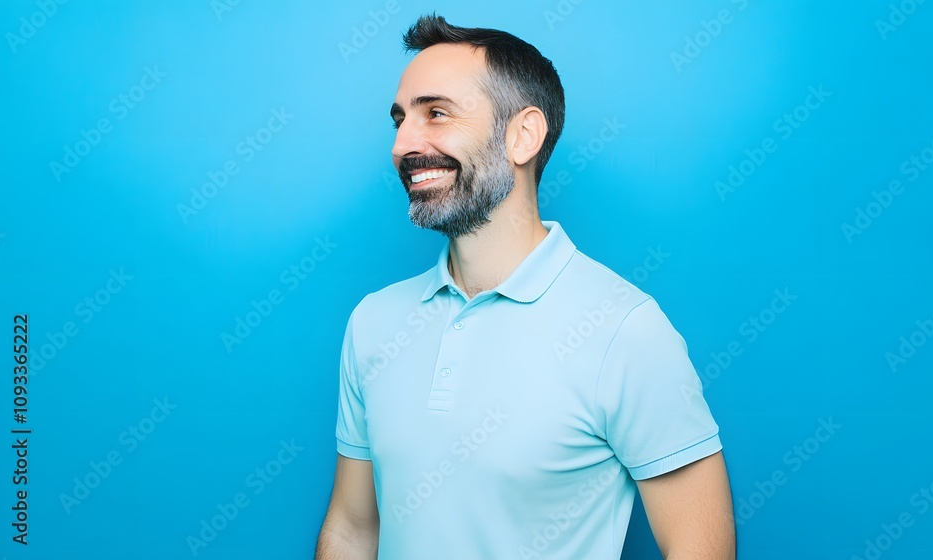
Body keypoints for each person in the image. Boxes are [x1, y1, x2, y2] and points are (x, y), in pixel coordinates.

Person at [315, 14, 735, 559]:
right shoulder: (373, 321)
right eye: (400, 120)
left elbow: (702, 549)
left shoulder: (625, 330)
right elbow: (352, 528)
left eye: (435, 113)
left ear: (523, 136)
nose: (402, 145)